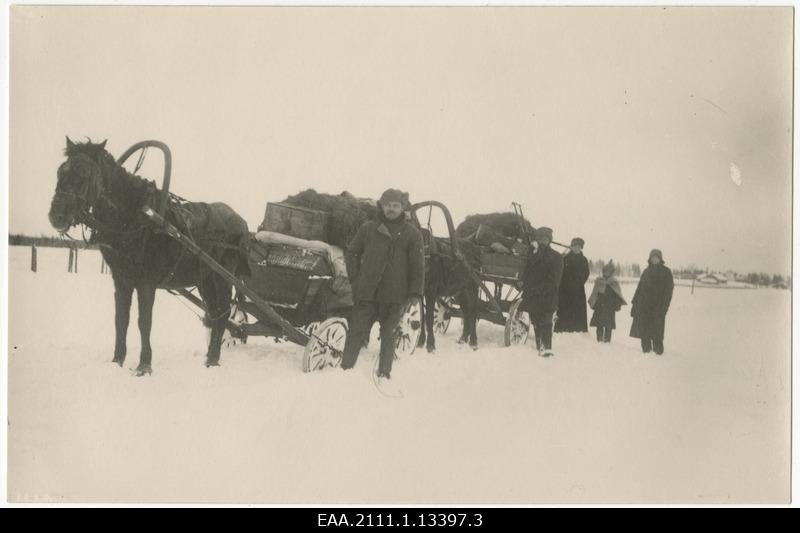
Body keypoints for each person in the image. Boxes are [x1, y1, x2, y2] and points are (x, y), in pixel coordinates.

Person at [340, 188, 425, 379]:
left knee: (389, 336)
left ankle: (384, 375)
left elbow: (418, 267)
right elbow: (352, 252)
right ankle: (345, 373)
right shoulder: (368, 228)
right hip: (368, 293)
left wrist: (414, 293)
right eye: (388, 205)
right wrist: (356, 279)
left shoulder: (412, 234)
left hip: (395, 295)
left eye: (396, 206)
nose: (392, 209)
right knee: (355, 333)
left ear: (403, 208)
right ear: (382, 206)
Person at [521, 227, 564, 357]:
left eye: (545, 239)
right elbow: (526, 273)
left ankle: (546, 347)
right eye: (540, 238)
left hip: (547, 295)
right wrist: (524, 284)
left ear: (549, 240)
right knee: (535, 320)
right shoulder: (532, 255)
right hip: (533, 295)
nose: (542, 241)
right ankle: (540, 345)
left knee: (546, 320)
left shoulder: (556, 257)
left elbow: (555, 280)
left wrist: (537, 288)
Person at [630, 249, 674, 355]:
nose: (654, 259)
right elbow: (639, 289)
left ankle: (658, 352)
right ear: (650, 258)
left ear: (660, 258)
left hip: (658, 307)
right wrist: (634, 304)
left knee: (657, 331)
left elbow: (669, 291)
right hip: (644, 307)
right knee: (644, 330)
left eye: (656, 257)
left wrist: (664, 307)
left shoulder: (666, 272)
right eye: (653, 257)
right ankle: (646, 350)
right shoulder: (646, 271)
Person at [554, 237, 590, 333]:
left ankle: (578, 330)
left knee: (577, 310)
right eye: (575, 246)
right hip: (564, 290)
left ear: (581, 248)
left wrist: (578, 282)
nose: (576, 248)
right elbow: (560, 272)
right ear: (571, 247)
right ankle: (562, 329)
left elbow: (586, 274)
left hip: (578, 290)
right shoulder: (564, 258)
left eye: (579, 247)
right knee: (563, 310)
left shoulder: (584, 260)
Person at [588, 261, 627, 343]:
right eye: (605, 272)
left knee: (608, 325)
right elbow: (594, 293)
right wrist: (593, 302)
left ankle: (607, 340)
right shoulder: (599, 282)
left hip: (610, 307)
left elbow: (618, 295)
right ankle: (599, 338)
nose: (607, 273)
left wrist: (617, 305)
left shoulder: (614, 283)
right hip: (600, 306)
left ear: (612, 273)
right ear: (603, 272)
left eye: (609, 272)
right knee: (599, 324)